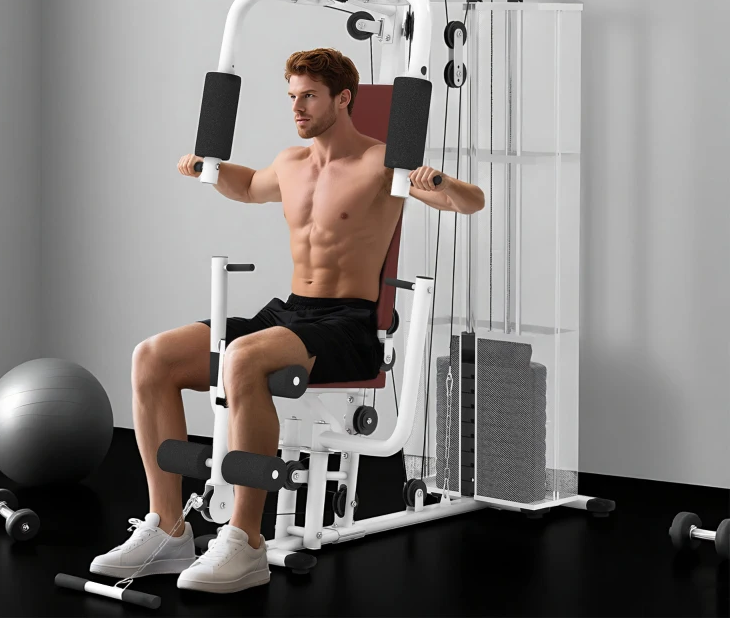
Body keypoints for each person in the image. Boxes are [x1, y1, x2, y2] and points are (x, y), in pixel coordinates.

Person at [90, 48, 485, 593]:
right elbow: (250, 186)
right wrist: (211, 170)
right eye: (292, 97)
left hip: (348, 324)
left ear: (342, 99)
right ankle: (169, 529)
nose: (297, 108)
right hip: (290, 312)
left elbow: (472, 202)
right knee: (152, 357)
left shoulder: (381, 162)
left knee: (244, 356)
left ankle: (245, 543)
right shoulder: (292, 163)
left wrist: (440, 183)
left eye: (309, 97)